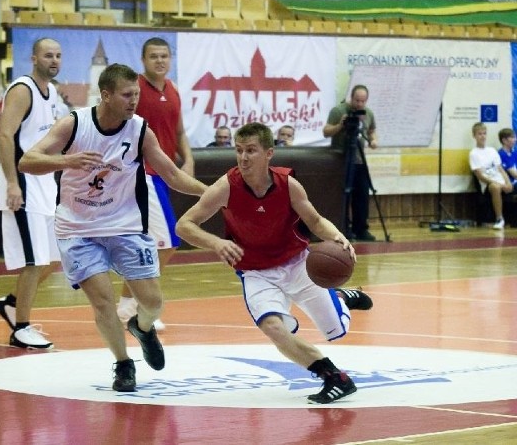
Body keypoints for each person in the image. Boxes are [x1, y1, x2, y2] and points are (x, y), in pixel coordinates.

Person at [17, 63, 207, 392]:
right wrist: (66, 161)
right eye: (127, 94)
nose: (134, 100)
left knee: (153, 302)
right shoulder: (74, 125)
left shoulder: (139, 130)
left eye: (136, 94)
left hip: (126, 225)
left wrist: (214, 193)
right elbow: (27, 161)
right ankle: (123, 364)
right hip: (78, 228)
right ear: (106, 95)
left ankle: (142, 327)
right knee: (103, 302)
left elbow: (173, 175)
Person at [175, 122, 373, 405]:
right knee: (273, 328)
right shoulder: (225, 187)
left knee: (336, 330)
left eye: (251, 151)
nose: (243, 158)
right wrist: (216, 243)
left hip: (296, 264)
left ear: (269, 153)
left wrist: (338, 236)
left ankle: (340, 297)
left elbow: (315, 221)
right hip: (256, 272)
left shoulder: (288, 184)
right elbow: (184, 225)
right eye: (239, 150)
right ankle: (333, 377)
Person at [116, 37, 196, 330]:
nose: (160, 61)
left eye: (164, 56)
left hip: (163, 173)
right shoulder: (134, 90)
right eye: (153, 56)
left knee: (156, 244)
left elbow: (179, 130)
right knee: (166, 242)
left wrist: (188, 160)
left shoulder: (172, 89)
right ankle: (134, 303)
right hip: (141, 172)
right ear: (143, 60)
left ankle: (127, 303)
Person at [0, 37, 63, 349]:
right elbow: (5, 135)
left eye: (58, 56)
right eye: (48, 55)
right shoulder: (23, 89)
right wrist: (10, 182)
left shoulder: (52, 94)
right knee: (34, 260)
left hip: (45, 183)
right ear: (33, 58)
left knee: (54, 258)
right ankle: (20, 327)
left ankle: (10, 303)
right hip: (23, 183)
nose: (54, 60)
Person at [323, 84, 378, 242]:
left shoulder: (367, 113)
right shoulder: (338, 111)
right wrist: (340, 125)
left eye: (363, 101)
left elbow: (372, 130)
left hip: (359, 159)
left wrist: (374, 140)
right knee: (343, 195)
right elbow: (326, 132)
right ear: (351, 97)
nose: (359, 104)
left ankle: (361, 229)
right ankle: (344, 229)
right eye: (357, 100)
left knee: (362, 194)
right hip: (341, 159)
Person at [469, 122, 513, 230]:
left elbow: (501, 169)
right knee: (495, 187)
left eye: (484, 133)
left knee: (511, 186)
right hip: (488, 183)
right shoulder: (474, 153)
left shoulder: (492, 151)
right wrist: (497, 183)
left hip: (499, 179)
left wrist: (508, 182)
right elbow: (480, 176)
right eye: (480, 134)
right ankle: (499, 218)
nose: (483, 136)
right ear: (474, 136)